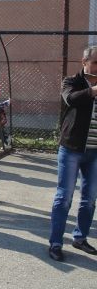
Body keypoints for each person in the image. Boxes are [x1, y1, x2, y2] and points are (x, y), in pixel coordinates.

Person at [48, 46, 97, 261]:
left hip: (95, 152)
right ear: (84, 62)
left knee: (90, 198)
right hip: (71, 149)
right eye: (95, 62)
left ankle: (80, 238)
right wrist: (93, 91)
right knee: (64, 197)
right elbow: (71, 99)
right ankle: (56, 243)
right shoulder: (71, 82)